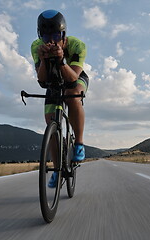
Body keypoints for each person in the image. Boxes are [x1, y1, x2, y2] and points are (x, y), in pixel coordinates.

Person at [31, 10, 89, 188]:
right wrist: (42, 60)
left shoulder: (77, 46)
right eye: (46, 36)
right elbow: (42, 81)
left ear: (64, 35)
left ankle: (78, 143)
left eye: (56, 35)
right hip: (53, 81)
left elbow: (72, 79)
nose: (51, 41)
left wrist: (61, 60)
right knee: (50, 122)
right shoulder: (36, 47)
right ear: (40, 36)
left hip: (74, 75)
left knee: (73, 95)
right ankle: (57, 169)